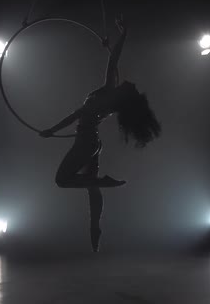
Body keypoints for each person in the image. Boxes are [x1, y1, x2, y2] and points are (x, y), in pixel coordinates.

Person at [39, 15, 161, 252]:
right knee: (92, 187)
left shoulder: (108, 91)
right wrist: (118, 39)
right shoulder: (111, 98)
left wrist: (51, 130)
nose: (130, 82)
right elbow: (114, 61)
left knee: (62, 181)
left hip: (87, 141)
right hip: (92, 141)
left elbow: (78, 113)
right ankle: (95, 226)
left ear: (125, 94)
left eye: (131, 87)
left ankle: (101, 187)